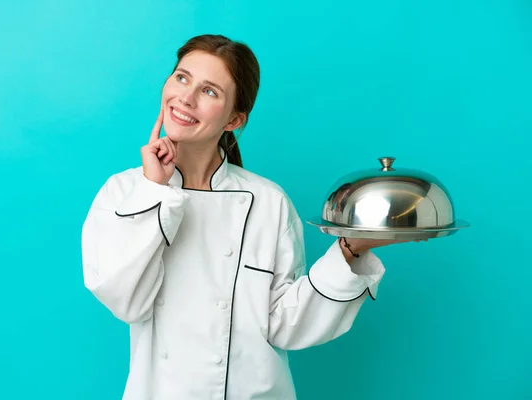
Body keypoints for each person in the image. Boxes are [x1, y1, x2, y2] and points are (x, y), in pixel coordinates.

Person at [81, 34, 415, 400]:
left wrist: (352, 248)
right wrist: (155, 191)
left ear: (234, 119)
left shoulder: (268, 201)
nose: (186, 98)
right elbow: (125, 299)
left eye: (210, 92)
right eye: (181, 77)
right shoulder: (126, 192)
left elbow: (286, 325)